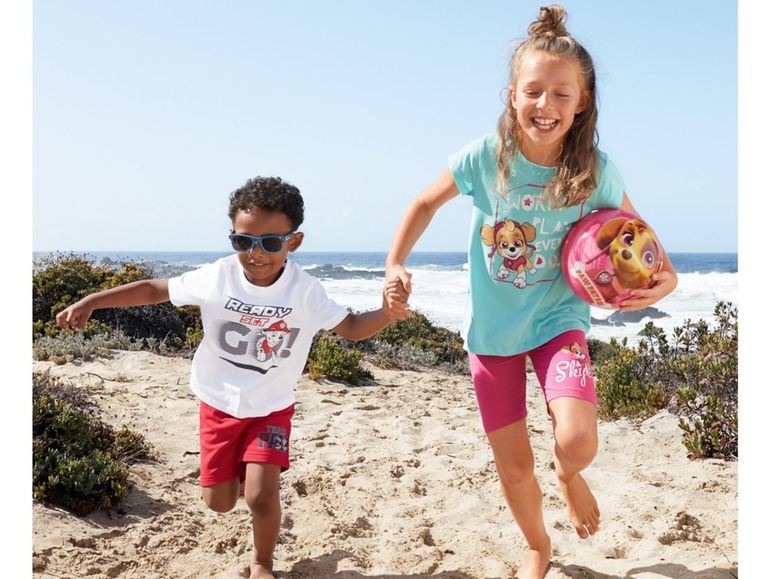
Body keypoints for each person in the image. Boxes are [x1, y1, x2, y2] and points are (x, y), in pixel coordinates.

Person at [383, 5, 677, 578]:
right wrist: (395, 262)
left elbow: (640, 236)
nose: (546, 106)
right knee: (515, 469)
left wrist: (667, 278)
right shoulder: (483, 159)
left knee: (578, 440)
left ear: (583, 102)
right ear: (512, 94)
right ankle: (538, 546)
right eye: (534, 91)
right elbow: (422, 203)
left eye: (561, 95)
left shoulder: (596, 172)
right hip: (492, 333)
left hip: (556, 322)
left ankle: (569, 476)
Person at [56, 176, 407, 579]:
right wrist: (93, 301)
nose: (256, 253)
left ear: (293, 242)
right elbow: (155, 290)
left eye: (271, 243)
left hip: (271, 408)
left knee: (259, 496)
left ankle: (262, 562)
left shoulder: (305, 291)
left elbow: (350, 326)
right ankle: (245, 471)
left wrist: (386, 313)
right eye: (243, 242)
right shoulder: (218, 276)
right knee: (219, 502)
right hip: (218, 402)